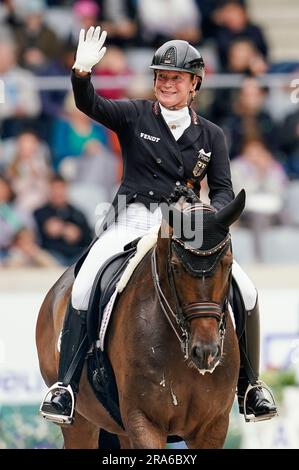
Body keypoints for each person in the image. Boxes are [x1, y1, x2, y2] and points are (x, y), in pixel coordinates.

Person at [40, 27, 277, 424]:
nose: (167, 84)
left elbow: (221, 191)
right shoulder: (134, 115)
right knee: (84, 284)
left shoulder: (211, 135)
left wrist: (209, 216)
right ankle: (66, 385)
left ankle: (250, 385)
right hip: (133, 216)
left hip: (186, 224)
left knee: (247, 290)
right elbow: (90, 104)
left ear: (194, 84)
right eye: (161, 77)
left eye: (176, 78)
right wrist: (81, 73)